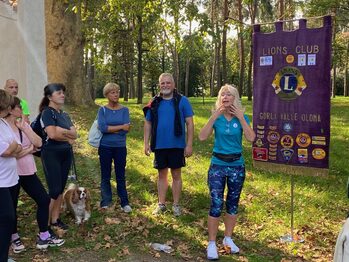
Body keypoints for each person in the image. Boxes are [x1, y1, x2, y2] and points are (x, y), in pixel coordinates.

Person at [198, 84, 256, 260]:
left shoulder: (242, 117)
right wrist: (214, 115)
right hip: (218, 165)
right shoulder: (216, 118)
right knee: (216, 203)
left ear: (234, 98)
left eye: (229, 94)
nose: (225, 97)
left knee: (233, 202)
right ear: (220, 99)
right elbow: (201, 136)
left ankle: (228, 239)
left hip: (237, 166)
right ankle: (211, 243)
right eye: (222, 94)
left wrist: (241, 117)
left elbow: (251, 138)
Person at [5, 97, 64, 253]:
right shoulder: (4, 128)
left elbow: (38, 143)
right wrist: (28, 150)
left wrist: (24, 129)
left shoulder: (22, 124)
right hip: (11, 173)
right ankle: (14, 237)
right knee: (10, 208)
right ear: (10, 109)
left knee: (43, 200)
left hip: (27, 171)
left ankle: (44, 235)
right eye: (19, 107)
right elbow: (11, 154)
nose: (22, 110)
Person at [143, 73, 194, 216]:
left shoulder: (182, 101)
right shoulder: (154, 102)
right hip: (159, 145)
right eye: (162, 83)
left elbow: (190, 123)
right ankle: (161, 204)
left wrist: (189, 144)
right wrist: (146, 143)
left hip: (177, 145)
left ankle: (176, 205)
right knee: (161, 175)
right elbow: (148, 123)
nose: (165, 85)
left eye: (168, 83)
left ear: (173, 85)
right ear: (159, 85)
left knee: (176, 174)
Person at [39, 83, 77, 231]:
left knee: (60, 189)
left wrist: (63, 132)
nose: (62, 95)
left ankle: (55, 219)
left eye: (63, 92)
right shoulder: (47, 113)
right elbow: (52, 134)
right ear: (49, 97)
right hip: (51, 154)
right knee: (54, 190)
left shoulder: (64, 114)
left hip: (65, 153)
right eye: (58, 93)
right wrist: (65, 134)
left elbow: (75, 135)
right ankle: (45, 225)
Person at [97, 83, 132, 213]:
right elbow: (102, 128)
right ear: (106, 95)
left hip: (120, 147)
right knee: (105, 175)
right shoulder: (102, 110)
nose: (116, 94)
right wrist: (120, 127)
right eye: (112, 92)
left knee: (120, 175)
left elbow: (126, 130)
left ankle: (124, 202)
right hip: (105, 147)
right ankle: (106, 201)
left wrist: (112, 129)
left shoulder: (124, 110)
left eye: (117, 91)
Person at [0, 90, 20, 262]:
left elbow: (17, 145)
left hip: (12, 179)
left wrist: (13, 147)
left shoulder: (4, 123)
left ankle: (4, 256)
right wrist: (12, 148)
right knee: (7, 218)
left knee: (8, 217)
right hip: (1, 182)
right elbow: (6, 151)